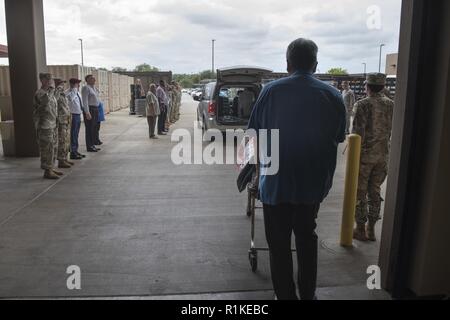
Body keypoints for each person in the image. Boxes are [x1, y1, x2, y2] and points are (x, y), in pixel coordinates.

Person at [248, 38, 346, 300]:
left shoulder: (270, 92)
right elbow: (338, 137)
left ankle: (286, 296)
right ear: (315, 64)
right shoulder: (332, 95)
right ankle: (308, 295)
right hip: (311, 186)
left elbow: (254, 135)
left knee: (278, 245)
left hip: (276, 184)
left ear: (287, 63)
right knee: (306, 237)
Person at [352, 73, 394, 242]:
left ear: (367, 86)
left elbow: (357, 134)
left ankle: (360, 229)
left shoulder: (362, 104)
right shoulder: (391, 104)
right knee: (375, 191)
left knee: (360, 193)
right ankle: (372, 229)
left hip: (364, 156)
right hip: (383, 155)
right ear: (383, 86)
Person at [33, 73, 64, 180]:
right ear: (42, 80)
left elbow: (54, 101)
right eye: (47, 79)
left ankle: (51, 167)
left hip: (53, 124)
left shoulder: (50, 92)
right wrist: (51, 92)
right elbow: (44, 104)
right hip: (45, 125)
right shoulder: (40, 93)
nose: (50, 81)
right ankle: (47, 170)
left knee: (53, 147)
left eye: (50, 79)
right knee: (47, 148)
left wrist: (56, 91)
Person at [54, 79, 74, 169]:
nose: (63, 85)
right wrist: (58, 89)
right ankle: (61, 160)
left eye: (63, 84)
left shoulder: (63, 94)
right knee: (62, 140)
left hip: (66, 120)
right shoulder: (56, 93)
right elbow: (54, 100)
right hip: (61, 121)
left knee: (66, 141)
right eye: (62, 83)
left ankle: (65, 158)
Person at [66, 78, 85, 160]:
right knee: (73, 134)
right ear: (72, 84)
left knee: (76, 134)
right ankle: (73, 153)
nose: (78, 85)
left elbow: (80, 102)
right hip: (72, 115)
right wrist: (74, 89)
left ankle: (75, 150)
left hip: (78, 114)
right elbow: (70, 99)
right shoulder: (68, 92)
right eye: (77, 83)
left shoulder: (77, 92)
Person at [81, 75, 101, 152]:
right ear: (88, 80)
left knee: (94, 128)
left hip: (95, 109)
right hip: (90, 109)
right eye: (92, 78)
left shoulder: (94, 88)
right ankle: (89, 146)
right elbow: (85, 101)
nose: (94, 79)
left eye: (94, 78)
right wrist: (87, 112)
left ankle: (92, 145)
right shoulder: (86, 88)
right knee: (89, 128)